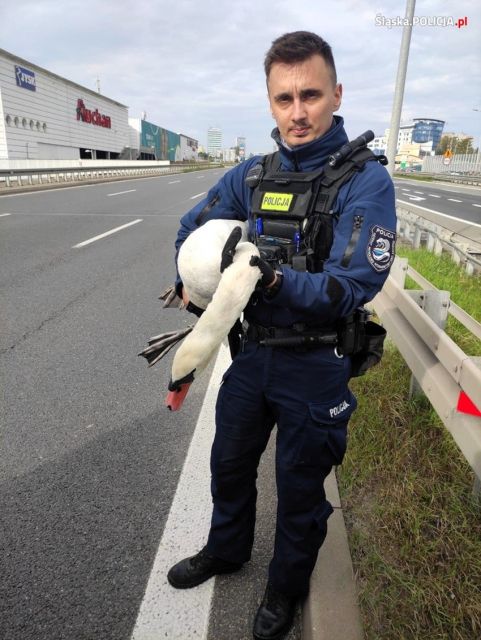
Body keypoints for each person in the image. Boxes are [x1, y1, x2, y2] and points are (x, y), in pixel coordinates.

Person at [167, 31, 396, 640]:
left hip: (318, 363)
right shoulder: (252, 174)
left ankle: (284, 590)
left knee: (299, 490)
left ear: (336, 94)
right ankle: (227, 548)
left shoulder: (364, 181)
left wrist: (272, 282)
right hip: (253, 355)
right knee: (229, 463)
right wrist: (190, 277)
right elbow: (193, 229)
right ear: (270, 101)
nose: (298, 112)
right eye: (284, 98)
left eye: (311, 95)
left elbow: (352, 285)